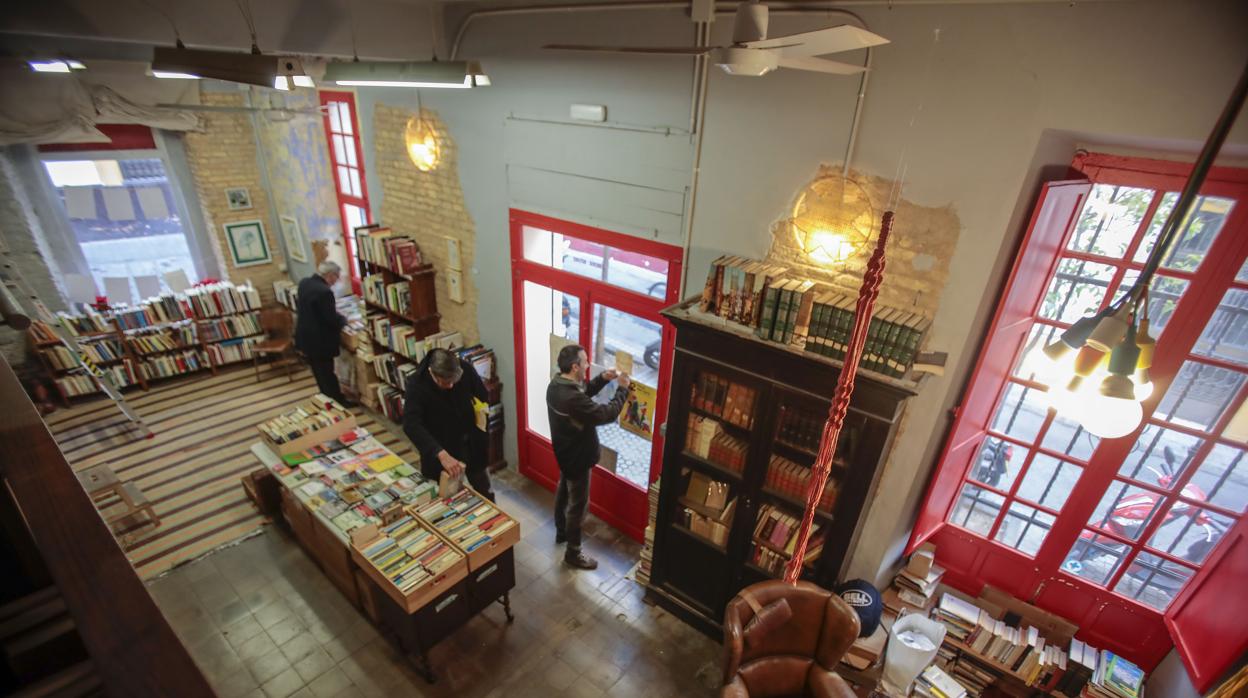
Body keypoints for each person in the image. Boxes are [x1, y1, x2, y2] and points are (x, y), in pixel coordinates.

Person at [546, 344, 629, 570]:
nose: (588, 364)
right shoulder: (571, 398)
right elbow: (606, 414)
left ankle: (561, 531)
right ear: (575, 367)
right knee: (578, 506)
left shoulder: (556, 385)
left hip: (565, 454)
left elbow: (583, 393)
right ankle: (573, 552)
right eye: (585, 362)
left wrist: (603, 378)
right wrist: (622, 389)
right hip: (578, 458)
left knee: (564, 490)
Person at [403, 348, 493, 499]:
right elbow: (411, 425)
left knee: (483, 488)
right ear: (432, 373)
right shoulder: (416, 384)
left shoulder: (464, 369)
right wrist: (440, 453)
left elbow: (482, 396)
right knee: (444, 497)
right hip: (441, 450)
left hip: (472, 444)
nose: (450, 386)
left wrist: (481, 428)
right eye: (445, 382)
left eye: (453, 381)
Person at [295, 261, 350, 405]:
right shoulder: (325, 292)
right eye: (336, 277)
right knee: (327, 373)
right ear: (330, 275)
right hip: (320, 341)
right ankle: (337, 401)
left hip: (305, 337)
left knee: (318, 373)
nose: (336, 281)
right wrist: (344, 320)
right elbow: (330, 319)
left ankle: (325, 397)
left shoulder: (304, 283)